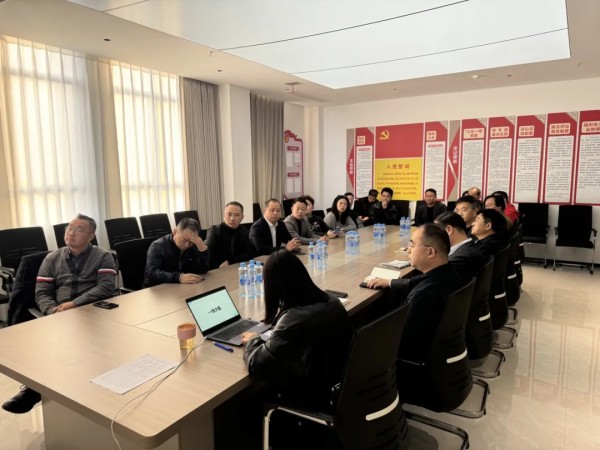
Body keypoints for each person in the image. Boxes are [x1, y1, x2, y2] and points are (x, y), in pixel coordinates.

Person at [3, 214, 117, 414]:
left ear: (91, 235)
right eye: (69, 228)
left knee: (103, 347)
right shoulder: (52, 258)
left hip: (91, 313)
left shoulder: (103, 256)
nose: (71, 233)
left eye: (78, 229)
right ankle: (33, 390)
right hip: (59, 314)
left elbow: (106, 287)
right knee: (48, 346)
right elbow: (42, 292)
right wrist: (52, 311)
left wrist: (74, 304)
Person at [241, 249, 352, 409]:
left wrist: (253, 340)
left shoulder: (293, 320)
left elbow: (256, 365)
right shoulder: (332, 300)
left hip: (313, 397)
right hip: (339, 386)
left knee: (246, 406)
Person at [143, 217, 209, 287]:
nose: (187, 245)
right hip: (156, 288)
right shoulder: (156, 246)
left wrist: (202, 249)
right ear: (174, 232)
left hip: (181, 286)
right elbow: (152, 273)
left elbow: (203, 270)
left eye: (191, 242)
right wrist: (179, 277)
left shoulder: (193, 245)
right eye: (184, 240)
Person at [435, 212, 485, 284]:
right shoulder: (471, 247)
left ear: (449, 229)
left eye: (436, 232)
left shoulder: (458, 259)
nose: (434, 237)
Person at [205, 201, 256, 270]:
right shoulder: (214, 231)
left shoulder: (245, 231)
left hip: (237, 267)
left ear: (242, 217)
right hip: (217, 269)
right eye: (229, 214)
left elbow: (250, 253)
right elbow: (207, 254)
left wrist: (230, 261)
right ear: (224, 216)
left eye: (236, 215)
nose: (232, 218)